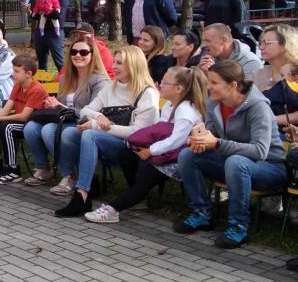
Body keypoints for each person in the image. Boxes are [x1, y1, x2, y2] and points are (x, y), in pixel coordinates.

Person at [175, 60, 287, 248]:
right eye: (209, 82)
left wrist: (217, 143)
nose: (208, 87)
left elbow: (260, 150)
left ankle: (239, 226)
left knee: (236, 162)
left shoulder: (258, 107)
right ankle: (201, 213)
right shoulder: (213, 103)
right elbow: (212, 134)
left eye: (214, 83)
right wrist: (199, 140)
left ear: (233, 85)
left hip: (270, 167)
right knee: (187, 155)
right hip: (233, 162)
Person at [85, 66, 207, 223]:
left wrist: (150, 151)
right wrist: (144, 147)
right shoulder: (170, 105)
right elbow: (160, 131)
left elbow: (176, 141)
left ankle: (112, 210)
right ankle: (138, 197)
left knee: (145, 174)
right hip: (165, 152)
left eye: (165, 82)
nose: (159, 84)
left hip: (176, 159)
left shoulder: (185, 112)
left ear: (179, 89)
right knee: (126, 155)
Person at [55, 46, 159, 217]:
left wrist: (97, 125)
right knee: (69, 134)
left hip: (132, 147)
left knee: (90, 134)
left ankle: (82, 195)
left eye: (119, 63)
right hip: (110, 139)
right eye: (115, 62)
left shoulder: (147, 93)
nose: (113, 66)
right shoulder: (111, 87)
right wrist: (99, 116)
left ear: (133, 66)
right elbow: (86, 110)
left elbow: (137, 132)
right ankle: (87, 181)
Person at [22, 39, 111, 188]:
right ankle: (44, 168)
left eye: (83, 52)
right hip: (64, 120)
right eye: (74, 52)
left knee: (49, 131)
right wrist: (52, 103)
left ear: (93, 55)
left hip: (85, 123)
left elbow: (95, 113)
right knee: (30, 128)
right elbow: (60, 106)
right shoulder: (65, 77)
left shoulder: (100, 80)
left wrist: (61, 106)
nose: (78, 55)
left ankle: (70, 175)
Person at [0, 55, 48, 183]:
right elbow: (5, 110)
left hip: (31, 126)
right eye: (13, 70)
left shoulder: (36, 89)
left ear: (28, 74)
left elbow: (24, 116)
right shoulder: (18, 85)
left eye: (16, 71)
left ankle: (13, 169)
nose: (12, 74)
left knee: (7, 126)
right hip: (20, 123)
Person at [34, 0, 69, 71]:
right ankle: (42, 80)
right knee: (41, 62)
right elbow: (38, 15)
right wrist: (32, 13)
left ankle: (65, 79)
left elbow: (59, 16)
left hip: (54, 33)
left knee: (59, 61)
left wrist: (45, 11)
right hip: (41, 32)